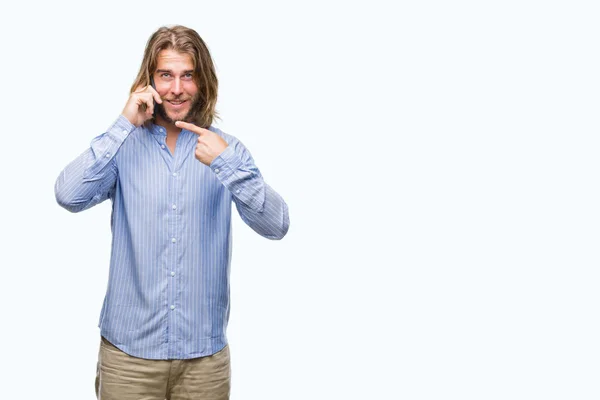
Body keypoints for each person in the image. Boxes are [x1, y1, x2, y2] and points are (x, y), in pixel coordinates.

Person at [54, 25, 290, 400]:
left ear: (203, 81)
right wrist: (123, 123)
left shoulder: (228, 150)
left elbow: (277, 225)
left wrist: (226, 165)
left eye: (188, 75)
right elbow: (68, 195)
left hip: (204, 363)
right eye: (166, 75)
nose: (176, 88)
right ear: (149, 81)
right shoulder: (124, 145)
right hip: (128, 359)